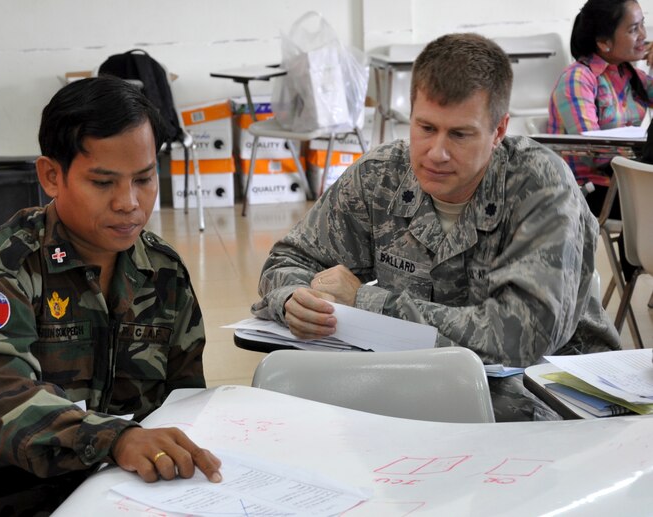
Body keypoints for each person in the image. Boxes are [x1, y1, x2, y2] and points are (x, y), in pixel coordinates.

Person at [252, 33, 620, 423]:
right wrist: (294, 298)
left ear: (498, 131)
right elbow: (289, 259)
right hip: (423, 393)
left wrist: (365, 302)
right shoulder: (381, 177)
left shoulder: (540, 186)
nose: (437, 153)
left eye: (460, 134)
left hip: (555, 404)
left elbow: (518, 338)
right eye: (425, 128)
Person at [0, 75, 221, 515]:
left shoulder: (163, 271)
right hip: (8, 500)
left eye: (144, 179)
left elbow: (184, 403)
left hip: (126, 498)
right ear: (51, 175)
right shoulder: (4, 265)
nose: (129, 202)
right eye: (103, 183)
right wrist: (116, 440)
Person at [548, 0, 653, 217]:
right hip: (589, 190)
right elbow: (592, 152)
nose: (644, 35)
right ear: (604, 42)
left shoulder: (632, 76)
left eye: (642, 25)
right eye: (634, 29)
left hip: (625, 184)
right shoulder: (577, 79)